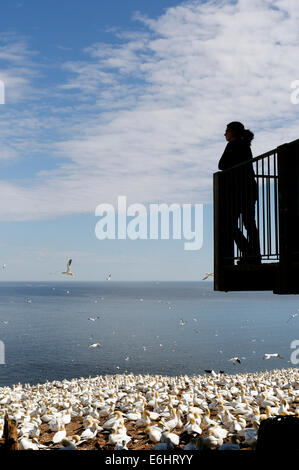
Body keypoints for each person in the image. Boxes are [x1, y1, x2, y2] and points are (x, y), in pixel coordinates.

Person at [218, 121, 261, 264]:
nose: (225, 134)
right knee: (249, 223)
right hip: (249, 189)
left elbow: (222, 165)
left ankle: (249, 253)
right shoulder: (245, 145)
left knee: (229, 224)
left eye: (227, 131)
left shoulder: (233, 145)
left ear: (233, 132)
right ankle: (254, 255)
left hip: (238, 191)